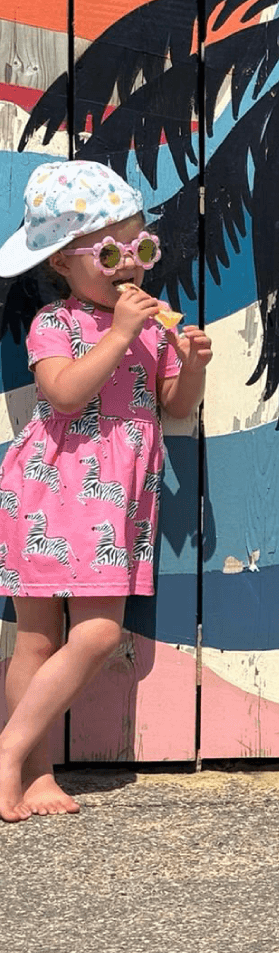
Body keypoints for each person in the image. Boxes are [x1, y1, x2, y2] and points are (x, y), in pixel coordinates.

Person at [0, 159, 212, 823]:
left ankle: (14, 759)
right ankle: (22, 763)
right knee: (42, 641)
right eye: (110, 253)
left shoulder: (155, 329)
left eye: (141, 248)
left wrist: (195, 365)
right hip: (46, 493)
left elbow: (174, 406)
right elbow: (62, 394)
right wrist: (119, 333)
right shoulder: (54, 323)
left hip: (111, 505)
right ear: (63, 261)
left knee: (92, 633)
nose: (130, 265)